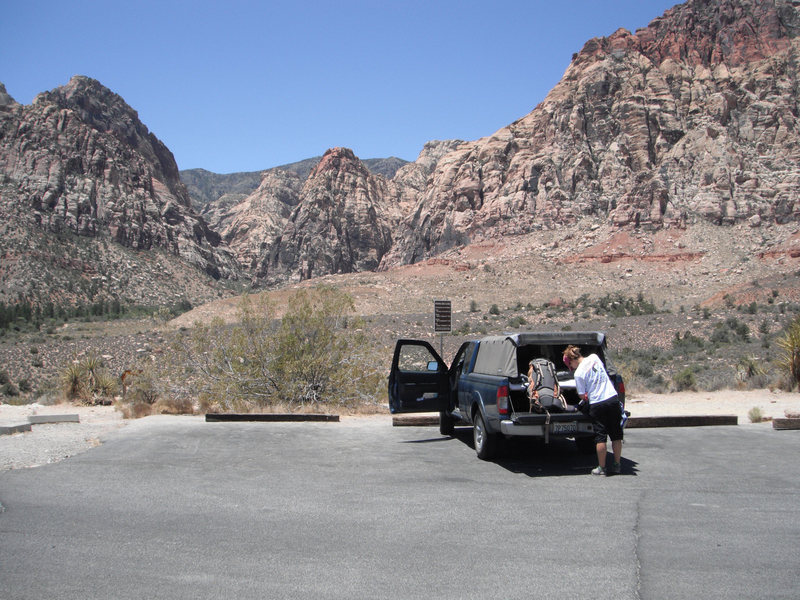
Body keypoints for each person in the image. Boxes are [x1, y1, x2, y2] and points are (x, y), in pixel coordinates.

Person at [563, 345, 623, 475]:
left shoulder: (578, 374)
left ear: (571, 361)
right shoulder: (594, 358)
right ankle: (617, 465)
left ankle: (602, 468)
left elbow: (581, 394)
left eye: (570, 366)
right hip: (612, 398)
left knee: (600, 437)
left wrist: (584, 396)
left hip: (597, 403)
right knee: (616, 435)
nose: (571, 368)